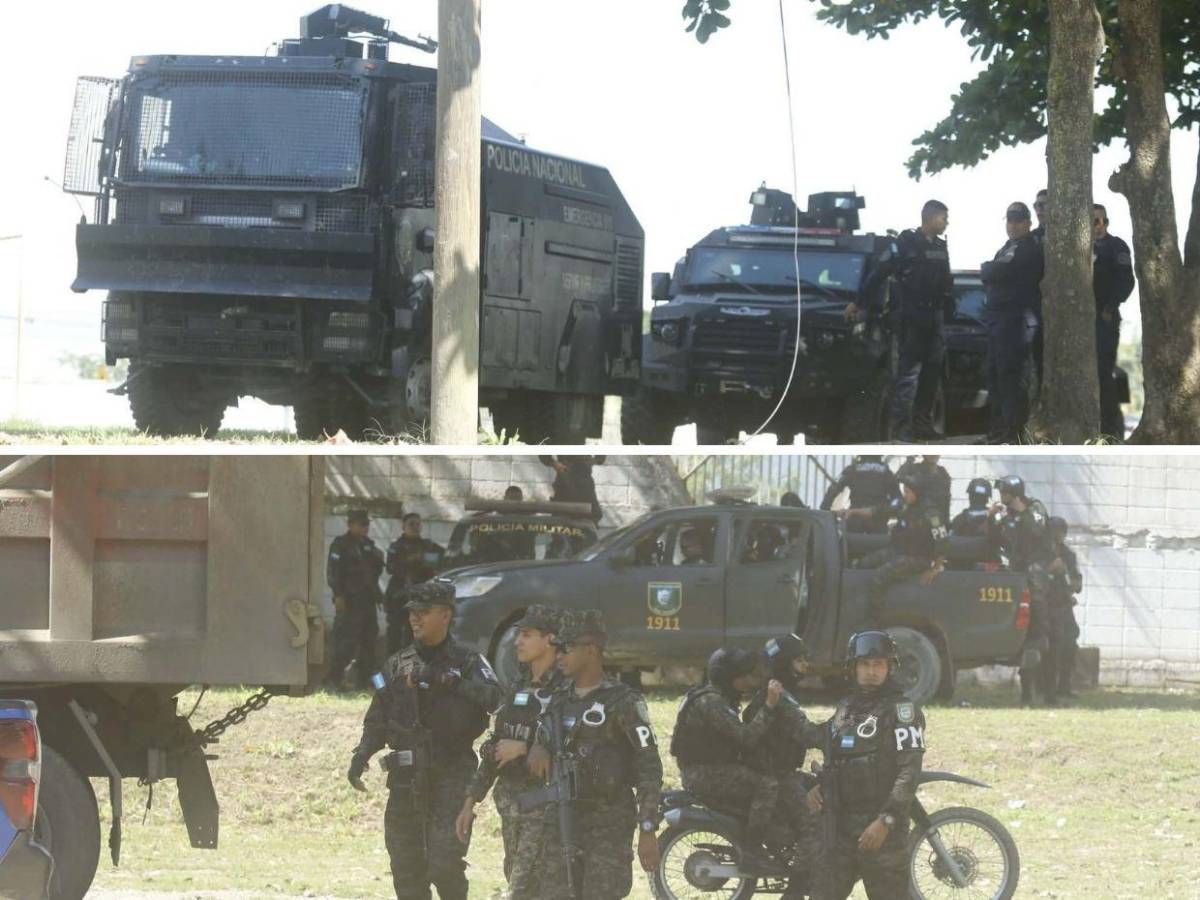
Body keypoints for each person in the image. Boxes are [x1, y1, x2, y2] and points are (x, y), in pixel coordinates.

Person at [347, 581, 503, 900]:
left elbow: (497, 698)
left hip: (451, 773)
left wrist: (451, 681)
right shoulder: (396, 663)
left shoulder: (468, 662)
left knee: (445, 865)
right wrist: (363, 752)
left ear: (445, 615)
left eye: (423, 612)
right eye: (412, 613)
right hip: (405, 779)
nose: (415, 619)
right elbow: (379, 713)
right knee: (406, 868)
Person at [527, 610, 662, 899]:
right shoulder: (558, 697)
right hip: (562, 822)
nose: (559, 655)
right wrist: (539, 746)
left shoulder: (624, 701)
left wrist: (648, 828)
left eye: (568, 648)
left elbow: (649, 767)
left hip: (607, 828)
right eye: (558, 648)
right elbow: (545, 734)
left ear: (591, 650)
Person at [456, 605, 563, 898]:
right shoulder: (517, 685)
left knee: (526, 888)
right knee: (517, 880)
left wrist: (525, 748)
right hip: (512, 807)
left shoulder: (568, 688)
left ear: (550, 640)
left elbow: (581, 748)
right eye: (519, 635)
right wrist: (470, 800)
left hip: (549, 811)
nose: (517, 642)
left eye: (527, 635)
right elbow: (497, 746)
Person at [811, 631, 926, 900]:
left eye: (878, 665)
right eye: (864, 665)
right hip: (839, 829)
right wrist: (819, 786)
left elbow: (909, 772)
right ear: (853, 668)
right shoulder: (846, 707)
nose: (871, 672)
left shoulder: (902, 711)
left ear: (890, 667)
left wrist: (886, 820)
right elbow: (837, 758)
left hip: (881, 831)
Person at [849, 200, 954, 440]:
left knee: (931, 373)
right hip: (911, 317)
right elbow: (878, 273)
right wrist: (859, 302)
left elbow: (946, 282)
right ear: (929, 218)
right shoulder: (905, 244)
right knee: (908, 375)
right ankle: (901, 428)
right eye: (943, 218)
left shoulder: (941, 246)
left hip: (935, 318)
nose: (946, 222)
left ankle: (922, 424)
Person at [671, 647, 785, 868]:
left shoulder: (717, 697)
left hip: (709, 768)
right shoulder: (712, 702)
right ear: (729, 677)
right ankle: (752, 850)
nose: (749, 681)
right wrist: (770, 706)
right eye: (744, 676)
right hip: (703, 773)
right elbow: (746, 737)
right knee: (766, 784)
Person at [741, 634, 823, 898]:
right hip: (776, 777)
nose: (805, 666)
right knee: (814, 825)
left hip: (782, 772)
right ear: (784, 664)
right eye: (799, 661)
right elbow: (807, 734)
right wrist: (840, 733)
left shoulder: (773, 691)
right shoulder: (779, 697)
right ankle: (796, 891)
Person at [846, 473, 949, 625]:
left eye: (907, 491)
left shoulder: (931, 513)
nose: (904, 494)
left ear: (917, 491)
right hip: (898, 551)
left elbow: (942, 541)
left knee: (879, 576)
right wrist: (853, 511)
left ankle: (874, 620)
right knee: (863, 564)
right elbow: (877, 511)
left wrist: (936, 568)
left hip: (918, 558)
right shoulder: (905, 507)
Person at [981, 202, 1044, 444]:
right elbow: (994, 272)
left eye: (1019, 221)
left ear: (1028, 223)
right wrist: (991, 270)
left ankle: (1011, 433)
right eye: (1010, 221)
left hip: (1014, 320)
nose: (1013, 225)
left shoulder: (1028, 248)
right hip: (998, 320)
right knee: (996, 377)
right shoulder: (1008, 247)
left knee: (1011, 378)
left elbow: (995, 272)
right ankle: (997, 433)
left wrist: (988, 269)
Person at [990, 475, 1056, 706]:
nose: (1001, 498)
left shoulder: (1034, 509)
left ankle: (1049, 693)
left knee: (1041, 638)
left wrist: (1018, 514)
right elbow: (995, 540)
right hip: (1018, 581)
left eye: (1004, 493)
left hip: (1037, 582)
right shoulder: (1008, 517)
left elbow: (1038, 531)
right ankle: (1027, 695)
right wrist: (994, 518)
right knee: (1026, 639)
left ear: (1013, 494)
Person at [325, 509, 385, 692]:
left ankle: (363, 678)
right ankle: (335, 678)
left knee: (369, 640)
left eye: (367, 524)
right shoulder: (340, 545)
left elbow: (374, 574)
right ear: (351, 524)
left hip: (367, 601)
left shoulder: (369, 545)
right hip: (349, 600)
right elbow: (333, 572)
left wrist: (378, 559)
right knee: (345, 641)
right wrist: (338, 595)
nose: (365, 528)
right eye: (362, 524)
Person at [1092, 204, 1136, 440]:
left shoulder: (1115, 247)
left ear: (1106, 223)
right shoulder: (1078, 249)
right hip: (1082, 321)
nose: (1097, 226)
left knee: (1103, 372)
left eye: (1100, 221)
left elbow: (1126, 281)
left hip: (1104, 318)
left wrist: (1110, 307)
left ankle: (1110, 430)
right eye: (1092, 221)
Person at [384, 513, 446, 656]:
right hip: (399, 594)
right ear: (403, 526)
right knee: (395, 631)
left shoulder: (428, 545)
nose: (415, 527)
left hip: (420, 595)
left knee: (415, 631)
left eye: (418, 524)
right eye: (411, 524)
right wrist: (411, 560)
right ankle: (391, 663)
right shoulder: (396, 546)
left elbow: (444, 557)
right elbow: (390, 567)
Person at [1046, 517, 1083, 700]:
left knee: (1070, 642)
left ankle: (1064, 686)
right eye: (1055, 531)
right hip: (1046, 605)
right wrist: (1050, 569)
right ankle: (1048, 690)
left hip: (1064, 605)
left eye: (1061, 531)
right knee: (1052, 648)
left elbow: (1077, 581)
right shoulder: (1042, 552)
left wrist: (1073, 582)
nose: (1058, 535)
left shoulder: (1068, 554)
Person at [820, 456, 901, 534]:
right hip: (877, 522)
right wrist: (886, 510)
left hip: (855, 521)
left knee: (848, 545)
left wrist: (824, 509)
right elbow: (897, 499)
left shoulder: (853, 469)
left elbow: (833, 488)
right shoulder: (886, 472)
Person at [540, 456, 605, 523]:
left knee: (592, 515)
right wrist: (554, 464)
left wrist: (593, 461)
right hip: (565, 478)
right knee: (561, 517)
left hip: (585, 477)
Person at [897, 455, 951, 521]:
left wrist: (947, 522)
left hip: (936, 519)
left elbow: (946, 500)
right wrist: (910, 459)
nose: (933, 455)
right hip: (916, 517)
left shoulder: (942, 473)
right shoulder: (915, 468)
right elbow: (899, 476)